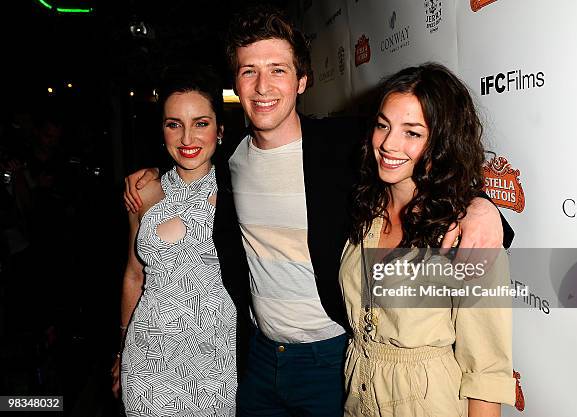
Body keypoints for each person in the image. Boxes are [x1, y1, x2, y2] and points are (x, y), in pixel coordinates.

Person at [123, 6, 514, 417]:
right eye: (248, 71)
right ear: (235, 83)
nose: (262, 86)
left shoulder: (346, 146)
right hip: (256, 357)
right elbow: (186, 166)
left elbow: (425, 166)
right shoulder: (228, 161)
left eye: (277, 70)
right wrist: (149, 178)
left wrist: (480, 205)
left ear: (302, 80)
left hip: (331, 359)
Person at [340, 63, 515, 417]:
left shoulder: (467, 232)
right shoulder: (364, 208)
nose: (388, 143)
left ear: (442, 141)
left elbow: (485, 370)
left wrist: (480, 206)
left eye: (413, 133)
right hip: (358, 396)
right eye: (383, 125)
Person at [112, 65, 237, 417]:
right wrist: (122, 351)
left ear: (220, 130)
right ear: (162, 130)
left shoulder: (238, 193)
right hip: (148, 359)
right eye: (173, 124)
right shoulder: (144, 190)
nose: (187, 139)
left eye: (201, 123)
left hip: (217, 361)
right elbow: (134, 276)